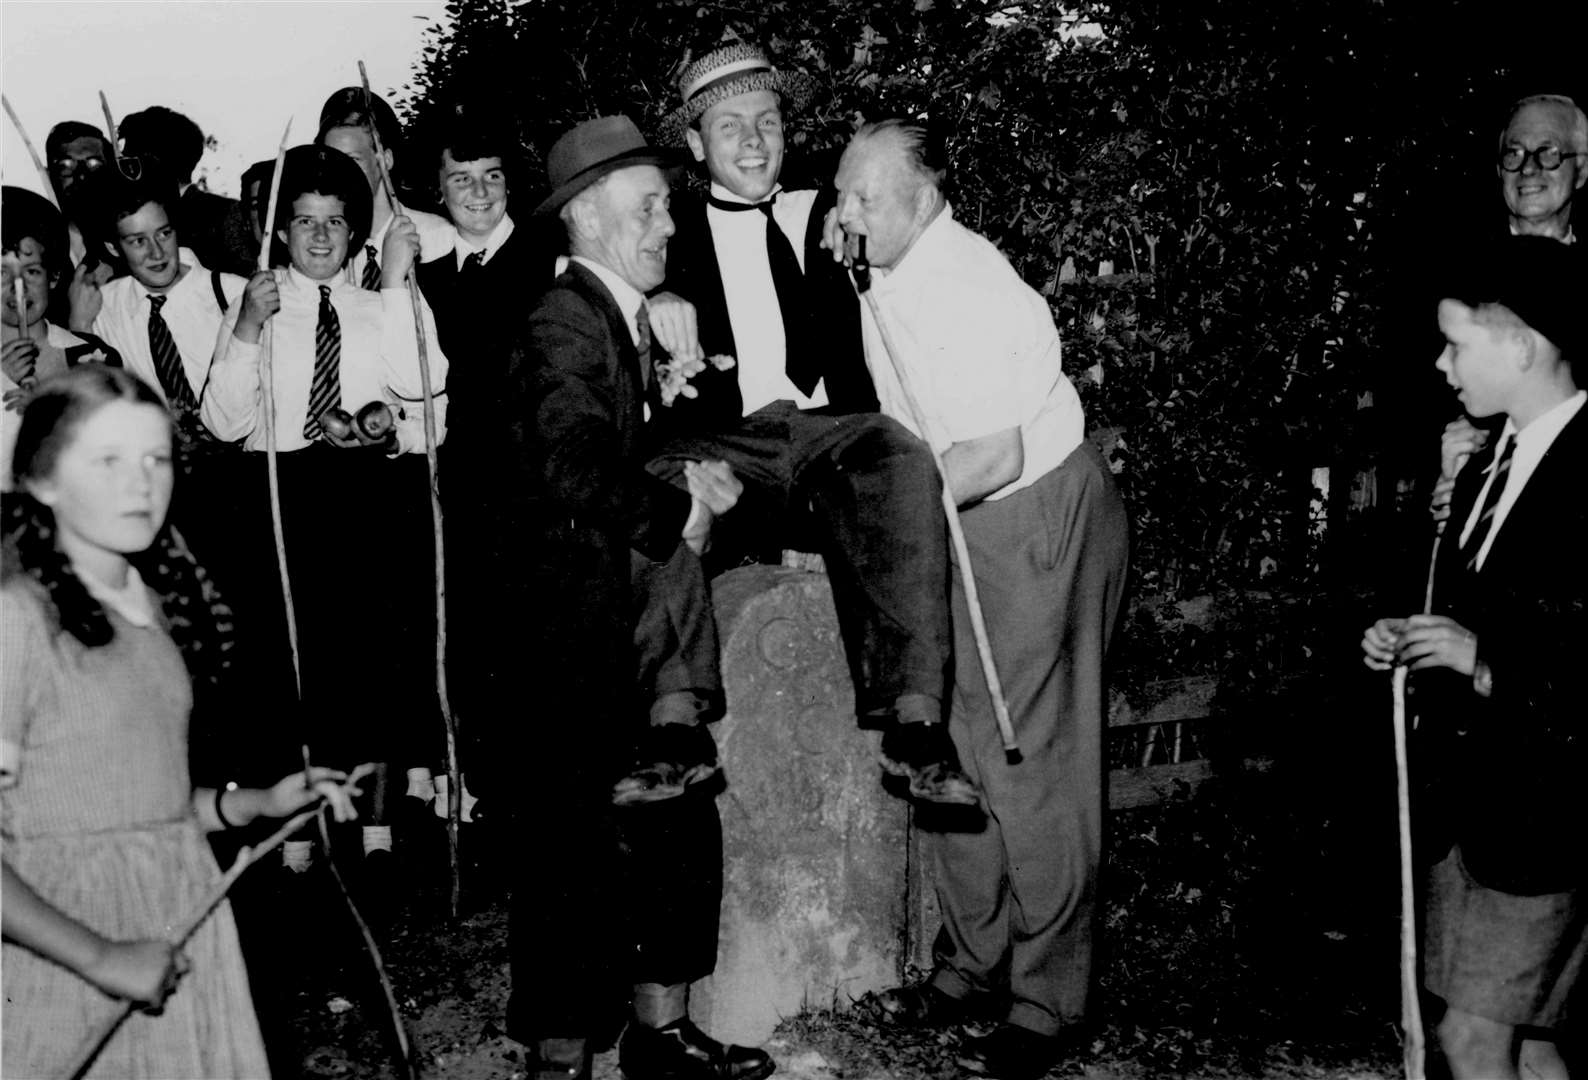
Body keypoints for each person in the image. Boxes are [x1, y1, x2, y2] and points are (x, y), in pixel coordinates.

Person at [832, 120, 1130, 1079]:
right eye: (840, 195)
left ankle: (1052, 997)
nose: (843, 214)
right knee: (953, 743)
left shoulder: (967, 282)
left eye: (861, 199)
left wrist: (881, 525)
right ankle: (973, 962)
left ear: (921, 199)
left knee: (1025, 749)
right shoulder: (885, 267)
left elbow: (992, 453)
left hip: (1025, 513)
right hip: (955, 517)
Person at [0, 362, 369, 1079]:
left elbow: (140, 811)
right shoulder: (17, 618)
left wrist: (252, 804)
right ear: (42, 481)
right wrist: (99, 955)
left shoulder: (149, 606)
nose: (141, 482)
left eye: (155, 458)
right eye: (106, 460)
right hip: (67, 946)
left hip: (180, 919)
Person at [499, 113, 770, 1080]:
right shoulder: (561, 318)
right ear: (586, 217)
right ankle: (562, 1056)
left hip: (638, 625)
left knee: (673, 819)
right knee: (576, 843)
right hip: (577, 627)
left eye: (665, 205)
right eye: (647, 207)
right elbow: (572, 460)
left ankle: (658, 1035)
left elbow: (658, 440)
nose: (667, 223)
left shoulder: (630, 313)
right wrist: (676, 516)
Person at [651, 42, 973, 805]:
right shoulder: (667, 238)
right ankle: (672, 724)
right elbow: (575, 267)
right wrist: (649, 307)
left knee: (900, 452)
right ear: (695, 146)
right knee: (656, 483)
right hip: (731, 442)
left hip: (832, 434)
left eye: (767, 121)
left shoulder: (832, 212)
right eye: (729, 127)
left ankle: (917, 723)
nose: (754, 141)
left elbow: (912, 205)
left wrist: (857, 236)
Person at [1361, 235, 1587, 1080]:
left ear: (1520, 347)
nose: (1440, 362)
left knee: (1469, 1041)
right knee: (1525, 1046)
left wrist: (1484, 661)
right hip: (1476, 811)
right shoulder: (1496, 459)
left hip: (1546, 821)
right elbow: (1471, 606)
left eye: (1457, 343)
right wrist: (1413, 640)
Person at [201, 144, 448, 887]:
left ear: (352, 232)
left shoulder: (381, 305)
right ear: (279, 232)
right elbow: (221, 420)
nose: (318, 238)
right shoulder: (257, 305)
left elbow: (420, 380)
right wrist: (246, 327)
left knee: (366, 663)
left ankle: (373, 839)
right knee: (285, 670)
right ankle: (298, 845)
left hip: (361, 496)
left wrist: (401, 283)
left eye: (335, 223)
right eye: (303, 223)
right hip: (279, 494)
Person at [3, 186, 123, 488]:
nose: (18, 287)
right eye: (2, 272)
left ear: (54, 277)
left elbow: (114, 450)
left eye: (31, 272)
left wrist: (47, 417)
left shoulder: (92, 356)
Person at [317, 88, 455, 290]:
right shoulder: (327, 251)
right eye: (332, 161)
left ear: (385, 160)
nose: (341, 173)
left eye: (354, 160)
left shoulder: (436, 236)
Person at [117, 105, 250, 275]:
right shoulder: (131, 213)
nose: (127, 169)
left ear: (152, 160)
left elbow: (244, 279)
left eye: (131, 160)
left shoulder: (223, 213)